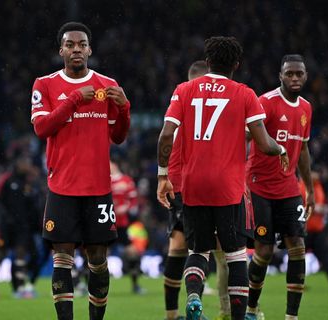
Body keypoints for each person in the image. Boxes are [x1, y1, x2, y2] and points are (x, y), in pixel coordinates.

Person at [157, 36, 288, 320]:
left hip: (192, 185)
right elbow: (265, 145)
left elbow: (166, 135)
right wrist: (281, 148)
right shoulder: (245, 94)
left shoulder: (184, 90)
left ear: (207, 62)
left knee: (198, 250)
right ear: (236, 65)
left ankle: (193, 294)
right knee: (235, 254)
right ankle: (238, 316)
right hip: (228, 187)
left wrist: (162, 175)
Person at [30, 22, 130, 320]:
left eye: (82, 44)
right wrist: (74, 100)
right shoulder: (44, 85)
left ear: (90, 49)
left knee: (98, 259)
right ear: (61, 50)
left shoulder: (107, 83)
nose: (76, 49)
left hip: (98, 188)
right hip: (62, 187)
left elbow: (119, 136)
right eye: (70, 45)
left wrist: (124, 108)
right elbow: (41, 128)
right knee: (62, 258)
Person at [245, 54, 314, 320]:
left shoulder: (306, 107)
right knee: (264, 250)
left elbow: (304, 148)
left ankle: (291, 316)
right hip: (260, 187)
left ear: (305, 75)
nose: (295, 78)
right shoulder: (266, 102)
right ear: (280, 76)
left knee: (297, 245)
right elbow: (245, 136)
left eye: (299, 73)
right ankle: (251, 309)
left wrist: (307, 188)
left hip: (289, 189)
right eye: (289, 74)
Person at [162, 60, 231, 320]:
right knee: (204, 249)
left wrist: (162, 175)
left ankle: (173, 314)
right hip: (193, 184)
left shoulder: (179, 100)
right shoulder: (195, 101)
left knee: (180, 247)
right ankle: (210, 309)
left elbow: (167, 137)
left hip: (178, 182)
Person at [0, 156, 41, 299]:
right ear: (18, 164)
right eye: (25, 163)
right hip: (5, 226)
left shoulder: (28, 182)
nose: (27, 166)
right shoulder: (7, 179)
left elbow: (32, 206)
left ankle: (20, 287)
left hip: (22, 227)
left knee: (20, 256)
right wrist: (3, 217)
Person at [109, 159, 145, 294]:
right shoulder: (104, 181)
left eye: (110, 164)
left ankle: (135, 284)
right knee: (97, 254)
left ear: (115, 164)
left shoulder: (126, 180)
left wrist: (126, 208)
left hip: (122, 224)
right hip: (108, 223)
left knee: (133, 252)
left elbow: (133, 202)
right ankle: (92, 287)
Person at [300, 171, 328, 289]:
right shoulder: (302, 186)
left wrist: (324, 209)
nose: (317, 175)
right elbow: (297, 206)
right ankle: (297, 283)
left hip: (318, 230)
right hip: (305, 229)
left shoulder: (318, 186)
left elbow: (322, 204)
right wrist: (313, 208)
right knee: (298, 257)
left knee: (325, 256)